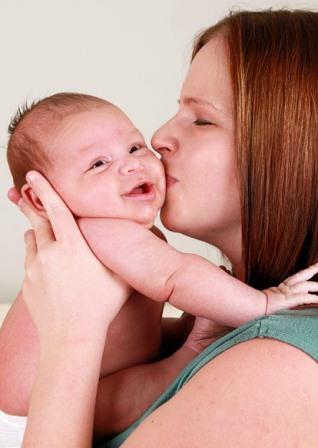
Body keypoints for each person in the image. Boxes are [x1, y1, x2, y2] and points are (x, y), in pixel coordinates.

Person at [6, 8, 318, 446]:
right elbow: (161, 303)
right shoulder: (107, 239)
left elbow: (175, 277)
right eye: (98, 163)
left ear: (290, 153)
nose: (156, 140)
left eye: (202, 119)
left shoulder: (280, 368)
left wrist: (71, 338)